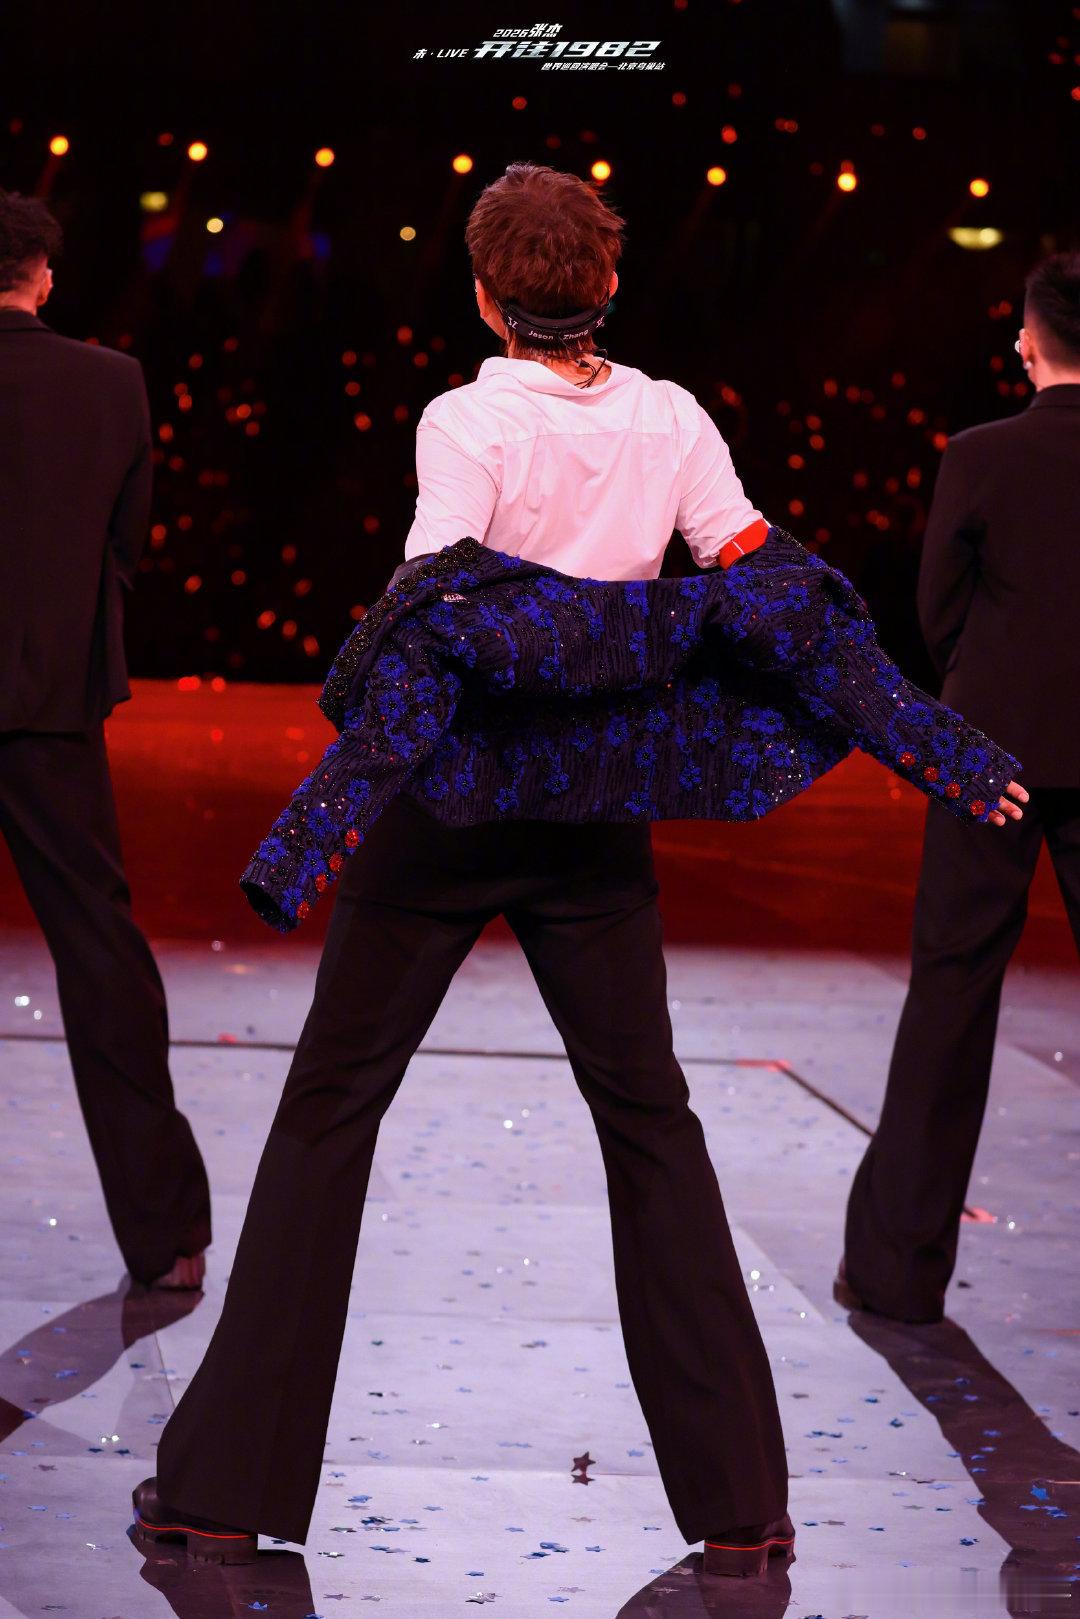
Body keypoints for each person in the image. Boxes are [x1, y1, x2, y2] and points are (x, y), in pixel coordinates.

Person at [134, 163, 1024, 1577]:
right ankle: (743, 1504)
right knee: (651, 1120)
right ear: (606, 285)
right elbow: (782, 598)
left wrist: (319, 824)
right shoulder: (670, 418)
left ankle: (221, 1485)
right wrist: (939, 744)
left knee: (329, 1113)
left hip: (451, 810)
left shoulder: (466, 419)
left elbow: (435, 623)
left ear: (487, 296)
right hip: (592, 814)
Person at [837, 250, 1080, 1326]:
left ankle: (897, 1272)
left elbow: (938, 610)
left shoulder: (979, 455)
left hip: (993, 757)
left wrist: (983, 704)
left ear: (1028, 343)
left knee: (951, 994)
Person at [0, 191, 211, 1291]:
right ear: (42, 276)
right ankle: (165, 1233)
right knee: (98, 955)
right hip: (49, 706)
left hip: (47, 698)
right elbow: (123, 547)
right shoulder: (110, 383)